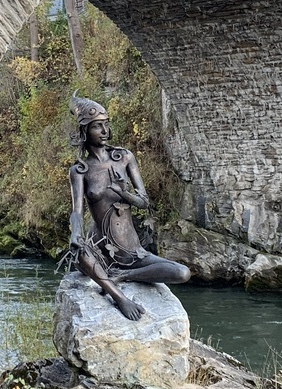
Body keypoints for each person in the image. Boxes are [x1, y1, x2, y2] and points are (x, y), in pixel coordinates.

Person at [67, 92, 190, 321]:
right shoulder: (80, 170)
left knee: (182, 272)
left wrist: (123, 193)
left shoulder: (124, 157)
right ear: (85, 131)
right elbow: (76, 211)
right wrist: (76, 233)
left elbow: (144, 203)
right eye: (97, 127)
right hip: (101, 250)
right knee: (80, 254)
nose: (104, 132)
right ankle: (120, 298)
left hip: (133, 251)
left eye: (106, 125)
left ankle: (123, 277)